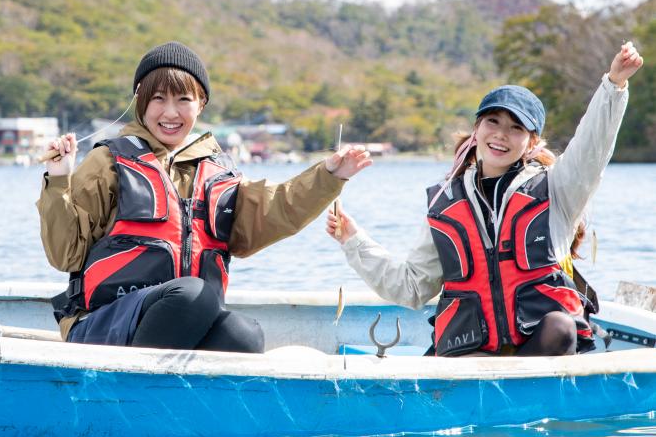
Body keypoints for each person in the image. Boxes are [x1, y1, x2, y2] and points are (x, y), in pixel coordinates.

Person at [38, 41, 371, 352]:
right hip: (104, 323)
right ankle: (134, 393)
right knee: (194, 294)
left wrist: (330, 176)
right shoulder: (107, 161)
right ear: (140, 101)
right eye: (159, 99)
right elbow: (65, 255)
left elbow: (278, 207)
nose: (171, 113)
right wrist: (59, 177)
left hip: (185, 319)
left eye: (183, 100)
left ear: (201, 105)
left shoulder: (217, 172)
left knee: (245, 336)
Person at [327, 42, 644, 357]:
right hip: (471, 358)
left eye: (515, 127)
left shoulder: (559, 188)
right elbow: (411, 288)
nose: (501, 134)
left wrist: (613, 86)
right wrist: (352, 240)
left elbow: (592, 149)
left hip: (540, 354)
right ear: (476, 128)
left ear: (531, 141)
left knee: (561, 327)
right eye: (493, 121)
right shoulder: (445, 203)